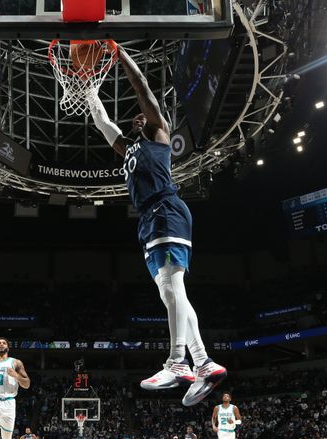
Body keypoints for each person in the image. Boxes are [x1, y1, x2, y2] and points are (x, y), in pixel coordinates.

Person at [87, 43, 226, 406]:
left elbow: (142, 89)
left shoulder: (159, 134)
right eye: (134, 119)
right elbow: (103, 123)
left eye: (142, 118)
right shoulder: (128, 148)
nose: (137, 119)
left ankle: (177, 361)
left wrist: (118, 55)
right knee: (169, 292)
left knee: (172, 284)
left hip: (165, 209)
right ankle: (204, 362)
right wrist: (88, 88)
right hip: (150, 219)